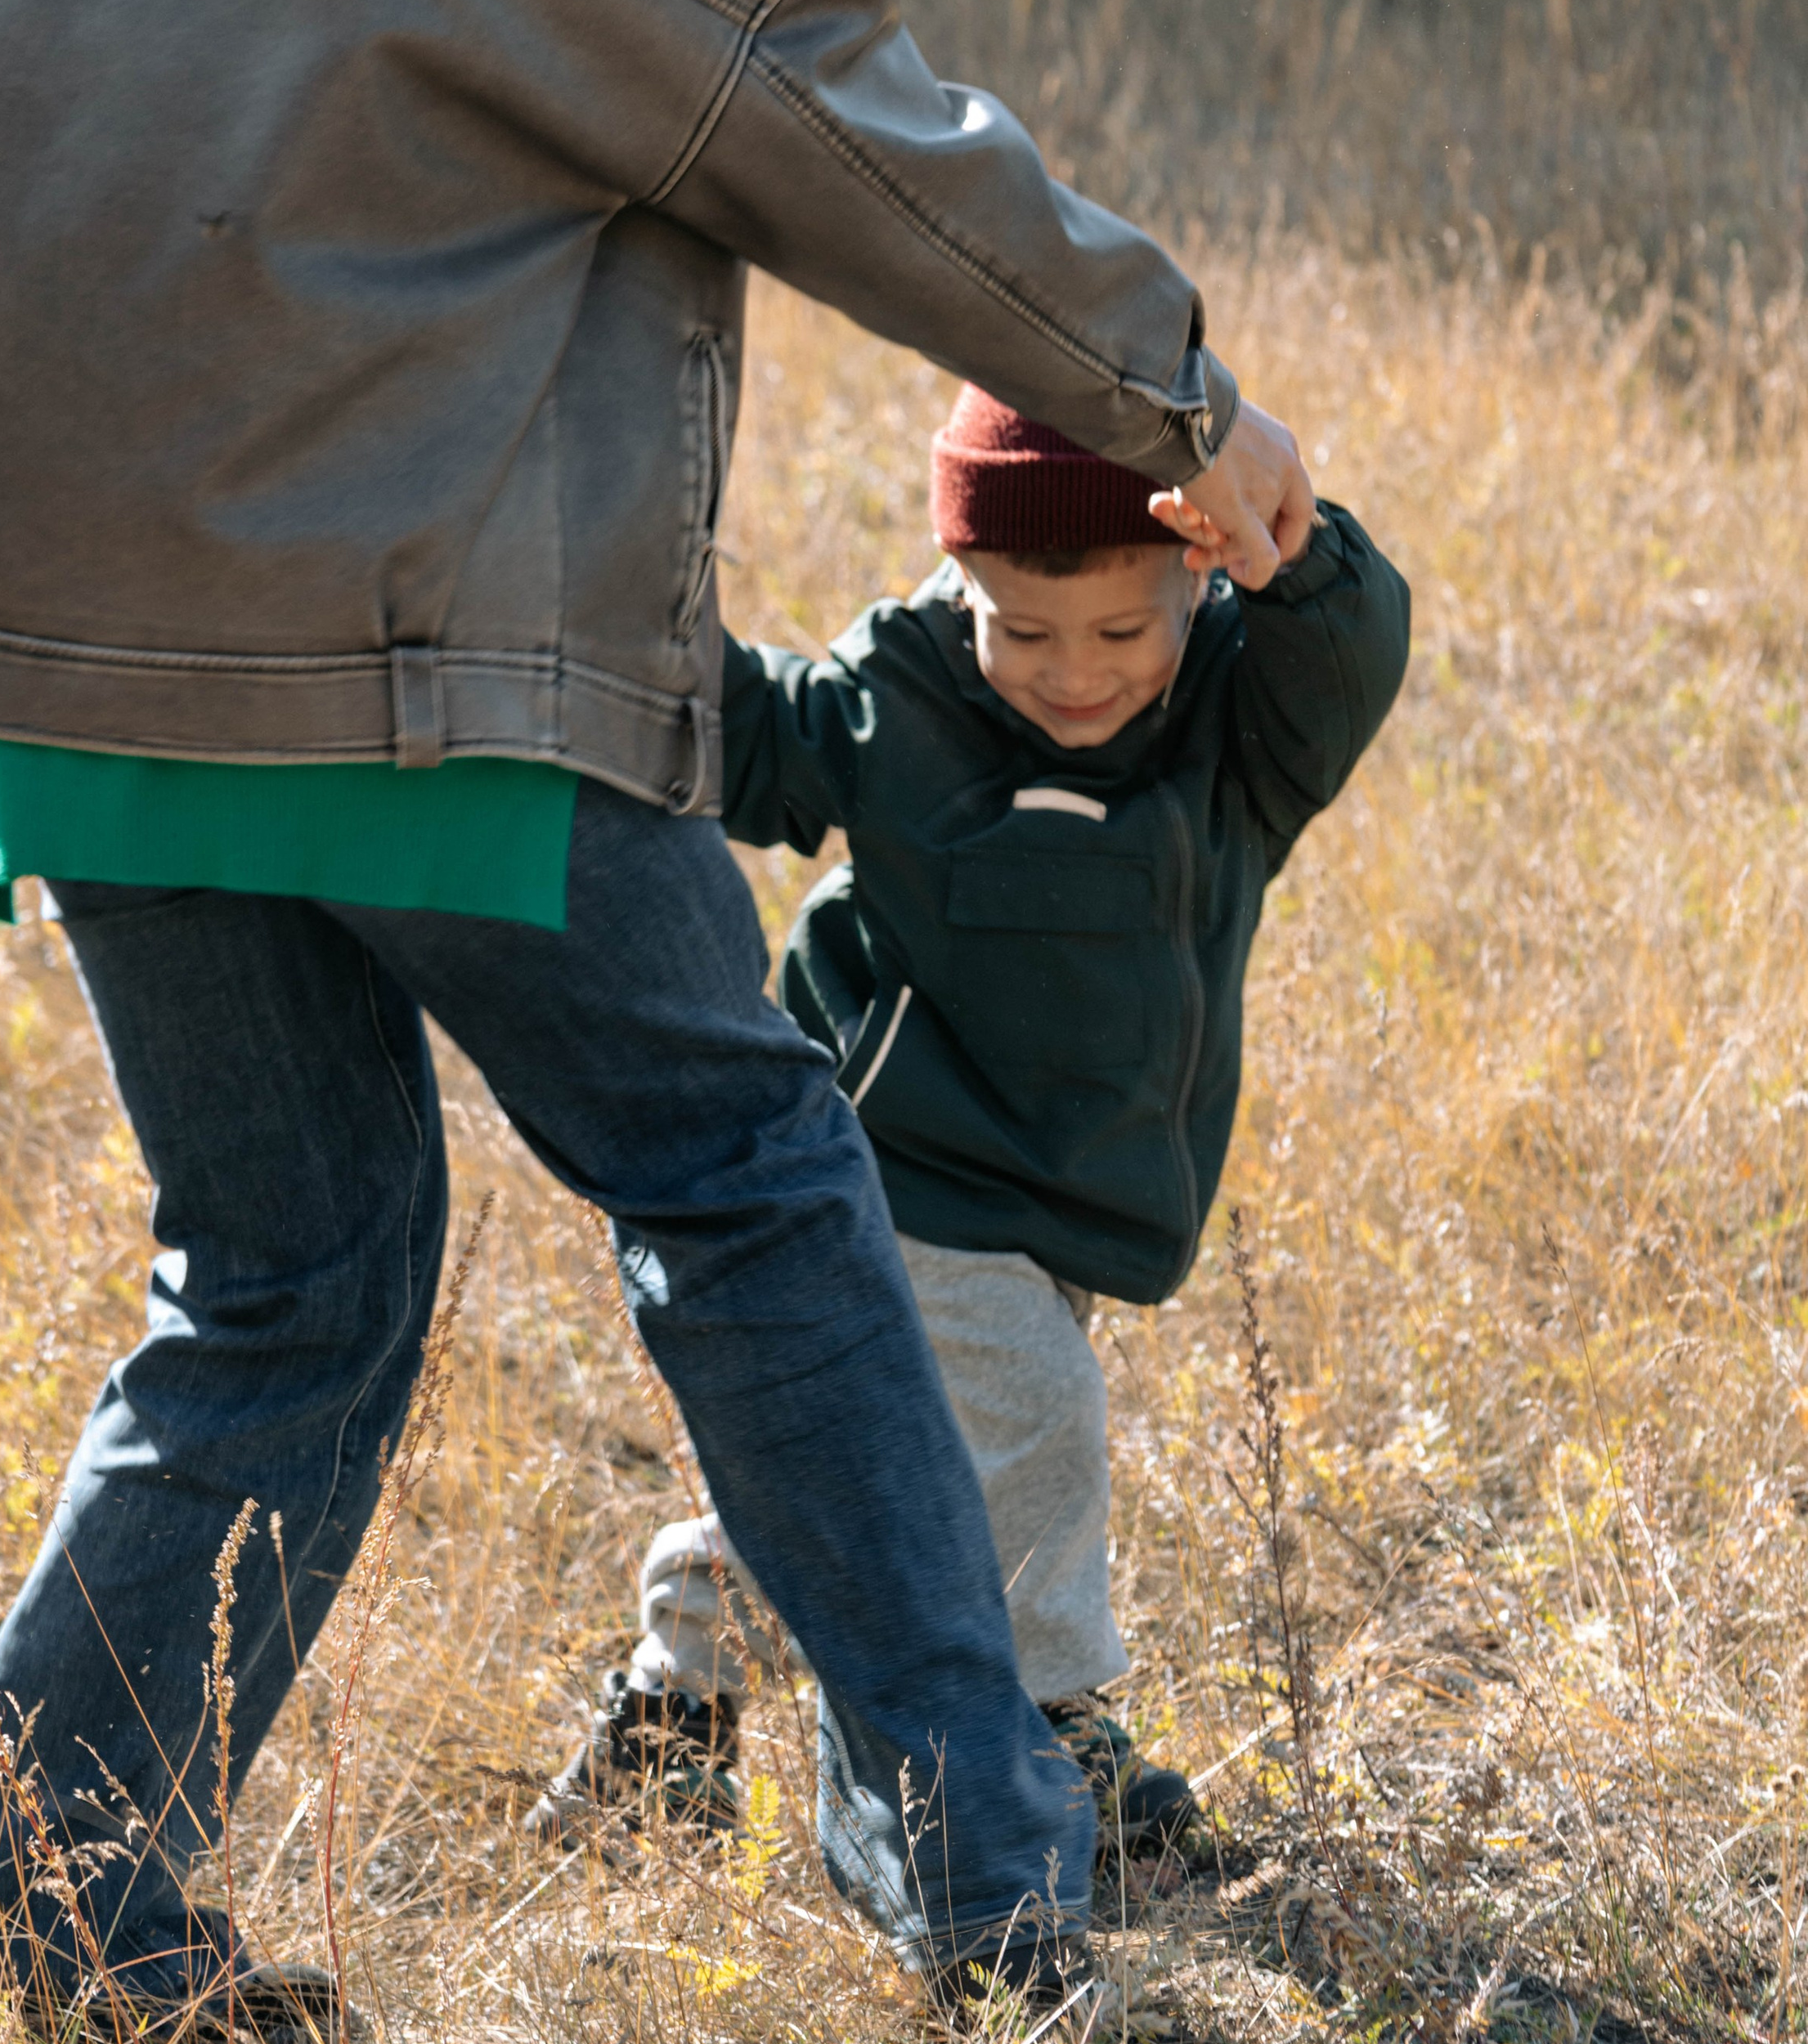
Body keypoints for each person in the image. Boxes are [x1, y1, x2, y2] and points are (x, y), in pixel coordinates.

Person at [0, 0, 1319, 2044]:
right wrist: (1177, 400)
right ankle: (995, 1890)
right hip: (425, 670)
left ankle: (37, 1935)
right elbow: (867, 140)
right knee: (758, 1191)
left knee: (280, 1279)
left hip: (84, 675)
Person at [532, 388, 1407, 1870]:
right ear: (959, 581)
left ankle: (674, 1702)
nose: (1075, 673)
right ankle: (1048, 1731)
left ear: (1198, 578)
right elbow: (752, 734)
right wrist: (598, 614)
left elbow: (1349, 655)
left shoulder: (1239, 727)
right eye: (1024, 628)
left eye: (1121, 630)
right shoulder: (911, 693)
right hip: (898, 1164)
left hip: (1069, 1191)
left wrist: (1290, 547)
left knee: (886, 1472)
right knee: (1035, 1419)